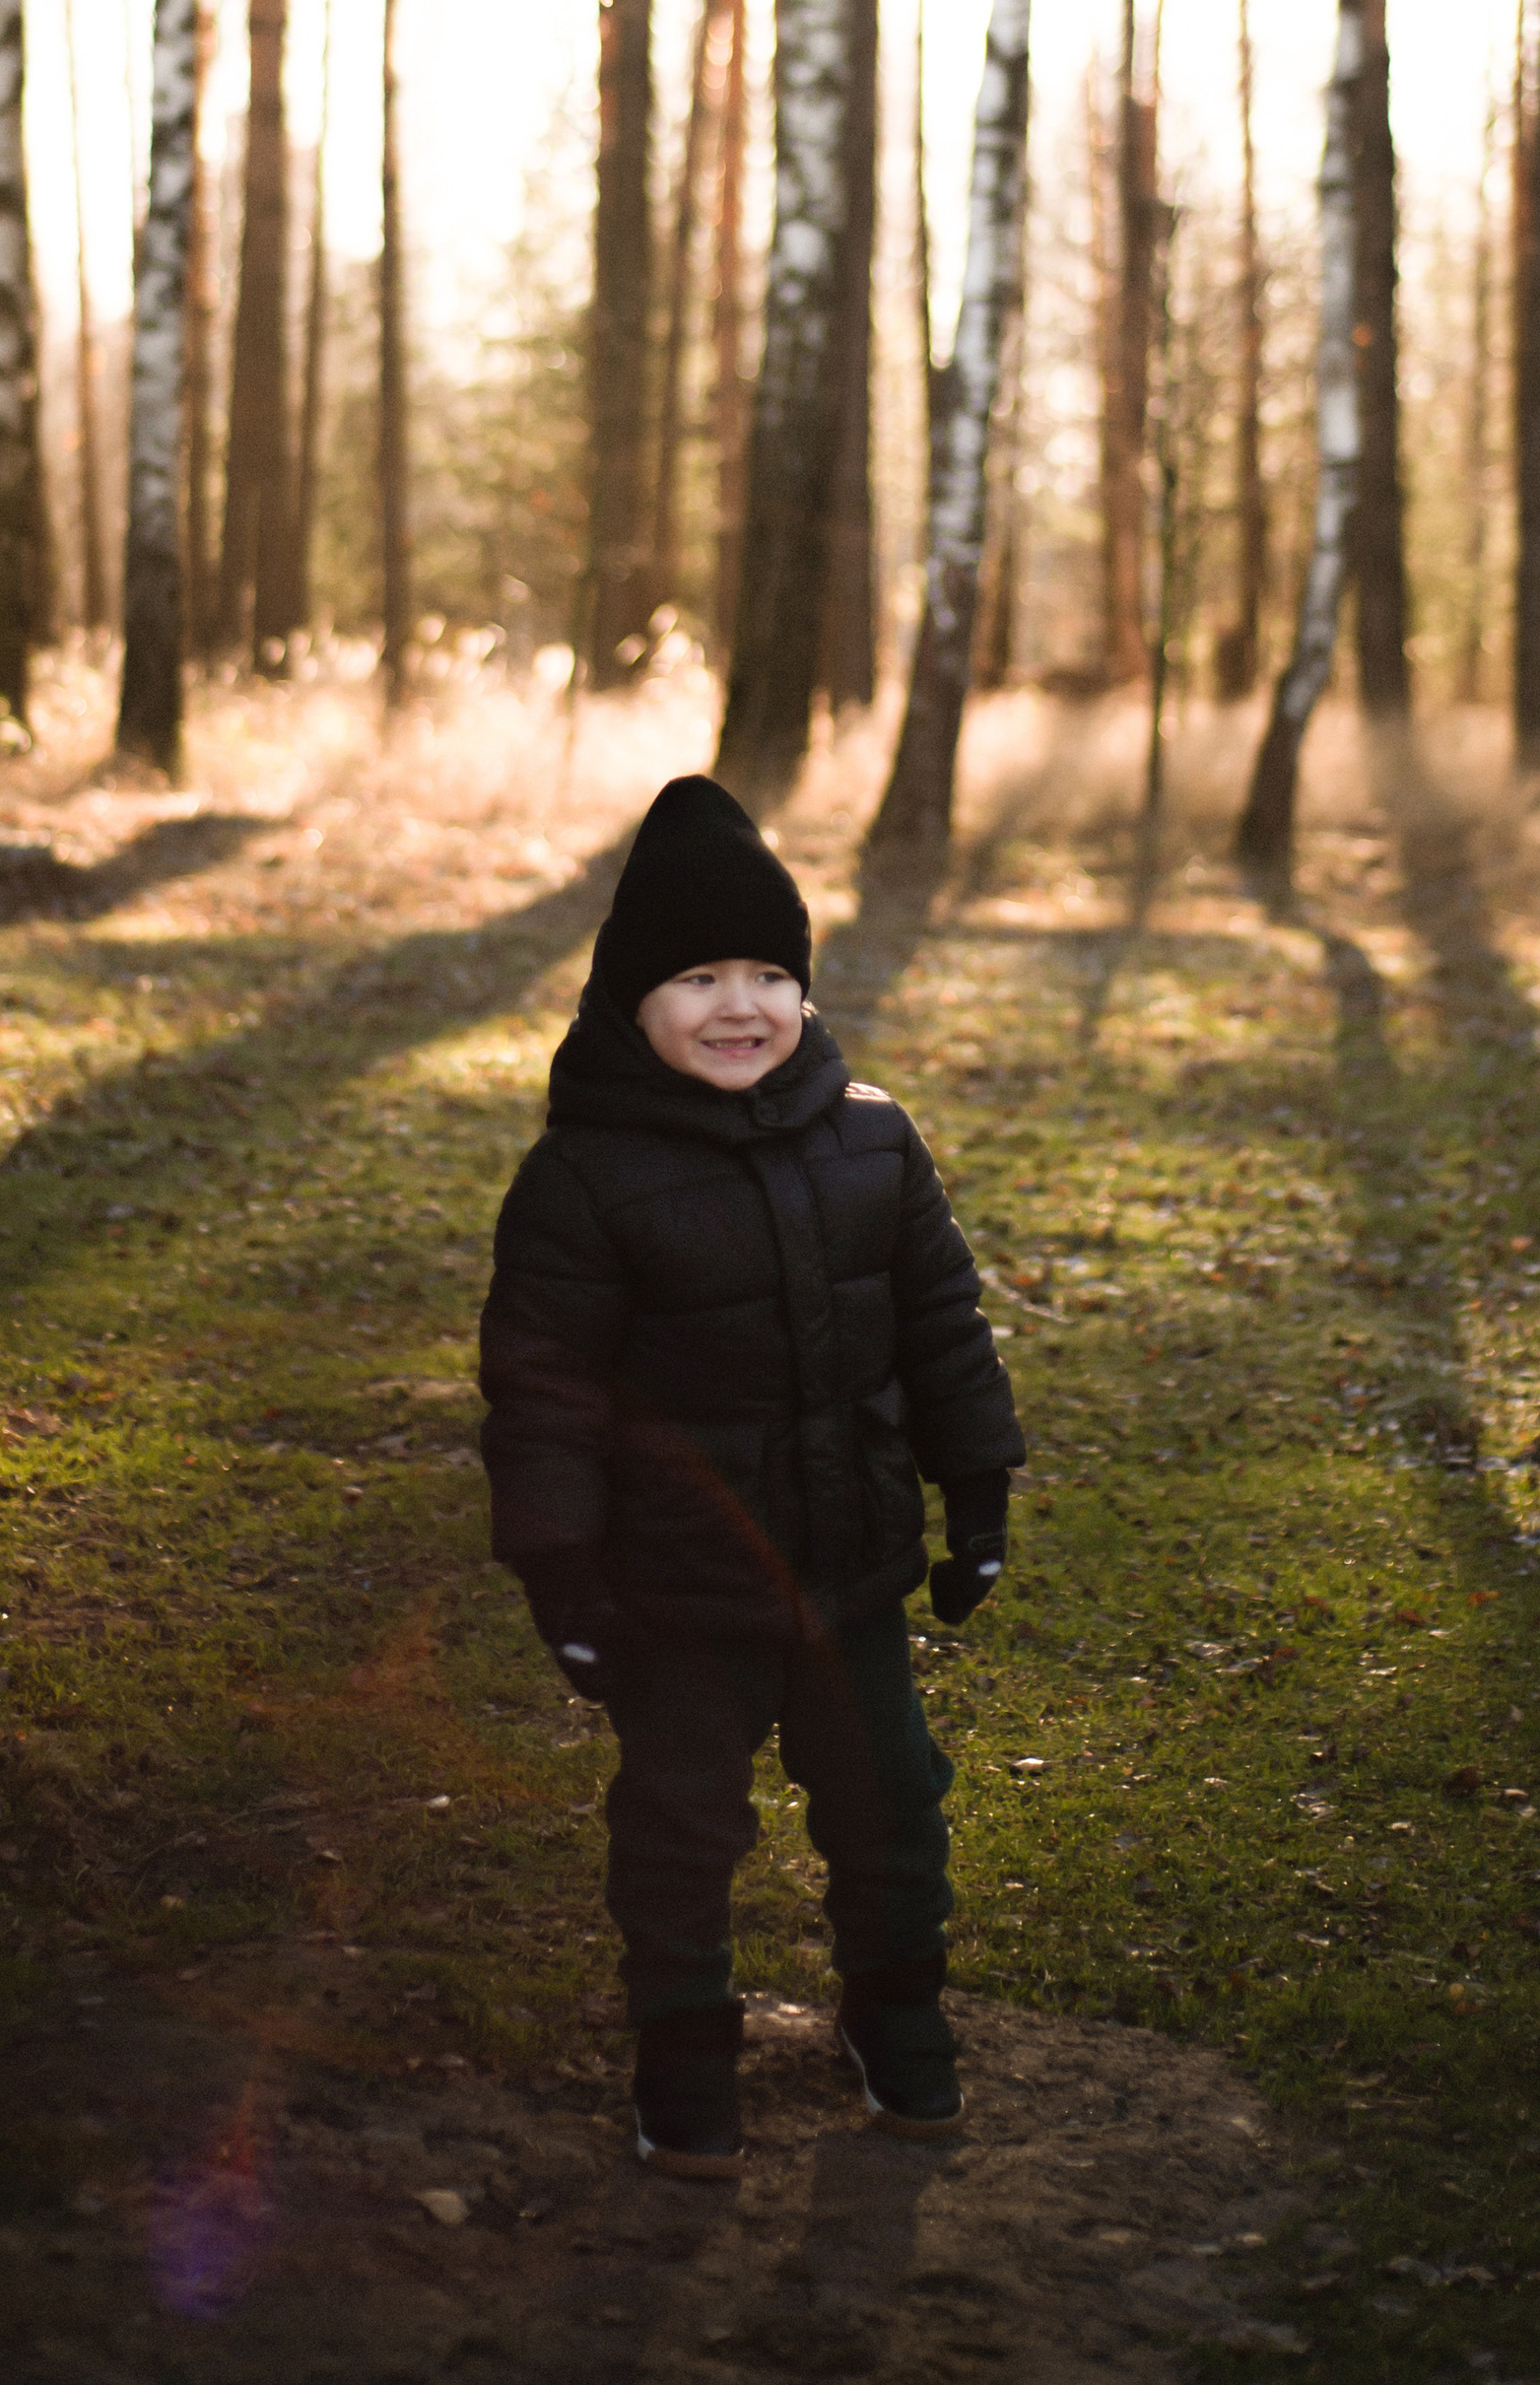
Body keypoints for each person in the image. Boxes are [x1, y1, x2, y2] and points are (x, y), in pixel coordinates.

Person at [478, 774, 1024, 2180]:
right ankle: (684, 2053)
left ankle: (895, 2015)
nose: (742, 1005)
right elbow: (542, 1397)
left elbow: (944, 1327)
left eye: (771, 973)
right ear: (629, 1001)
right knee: (681, 1830)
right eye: (700, 976)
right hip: (677, 1596)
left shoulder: (874, 1139)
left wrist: (976, 1497)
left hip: (847, 1574)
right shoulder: (584, 1180)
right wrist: (565, 1575)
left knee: (892, 1804)